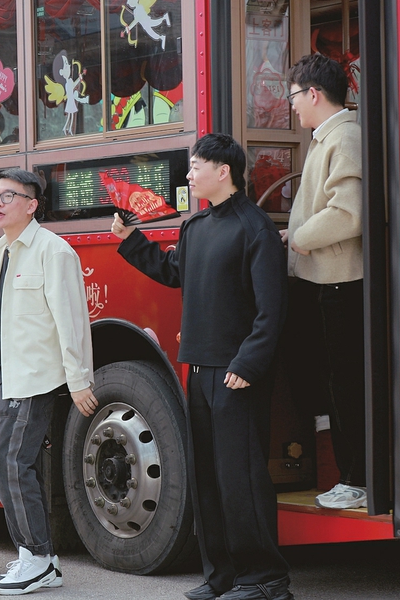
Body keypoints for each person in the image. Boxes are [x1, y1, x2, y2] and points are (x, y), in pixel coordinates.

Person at [111, 133, 293, 600]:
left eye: (195, 166)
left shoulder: (255, 228)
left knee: (241, 478)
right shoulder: (196, 226)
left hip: (237, 372)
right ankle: (222, 575)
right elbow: (174, 273)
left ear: (223, 171)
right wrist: (132, 240)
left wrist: (249, 362)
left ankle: (265, 579)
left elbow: (271, 309)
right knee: (207, 478)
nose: (189, 174)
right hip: (199, 368)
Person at [0, 169, 96, 594]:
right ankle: (37, 557)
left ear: (32, 205)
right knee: (8, 465)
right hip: (6, 376)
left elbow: (72, 319)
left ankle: (38, 558)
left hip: (34, 377)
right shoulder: (0, 250)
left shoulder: (54, 250)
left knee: (13, 464)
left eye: (8, 196)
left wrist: (79, 379)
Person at [284, 53, 366, 510]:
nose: (292, 104)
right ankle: (352, 477)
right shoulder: (329, 137)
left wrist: (299, 238)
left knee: (345, 384)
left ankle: (357, 480)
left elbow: (348, 213)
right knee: (333, 382)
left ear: (313, 94)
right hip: (326, 280)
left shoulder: (344, 137)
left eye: (294, 95)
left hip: (341, 283)